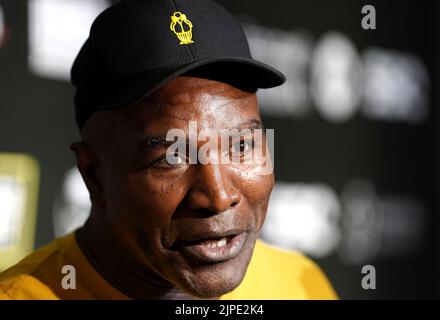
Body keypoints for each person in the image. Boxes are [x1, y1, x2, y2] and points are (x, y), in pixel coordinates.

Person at [0, 0, 337, 300]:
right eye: (172, 157)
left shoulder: (298, 284)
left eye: (242, 145)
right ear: (94, 175)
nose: (219, 196)